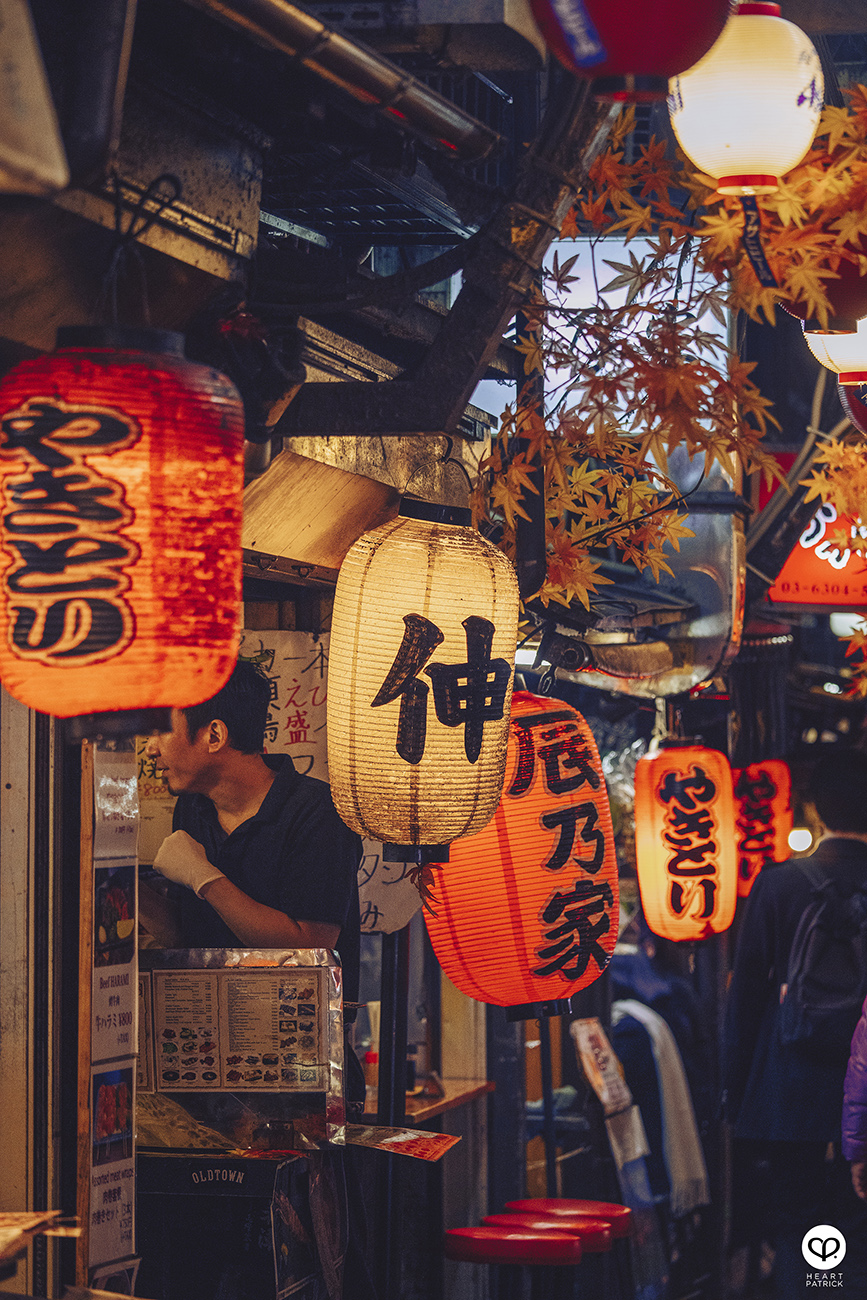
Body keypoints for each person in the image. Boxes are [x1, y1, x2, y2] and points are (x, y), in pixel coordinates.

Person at [723, 749, 867, 1297]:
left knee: (801, 1231)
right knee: (856, 1232)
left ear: (815, 808)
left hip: (787, 1088)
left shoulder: (779, 885)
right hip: (864, 1091)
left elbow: (748, 999)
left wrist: (736, 1094)